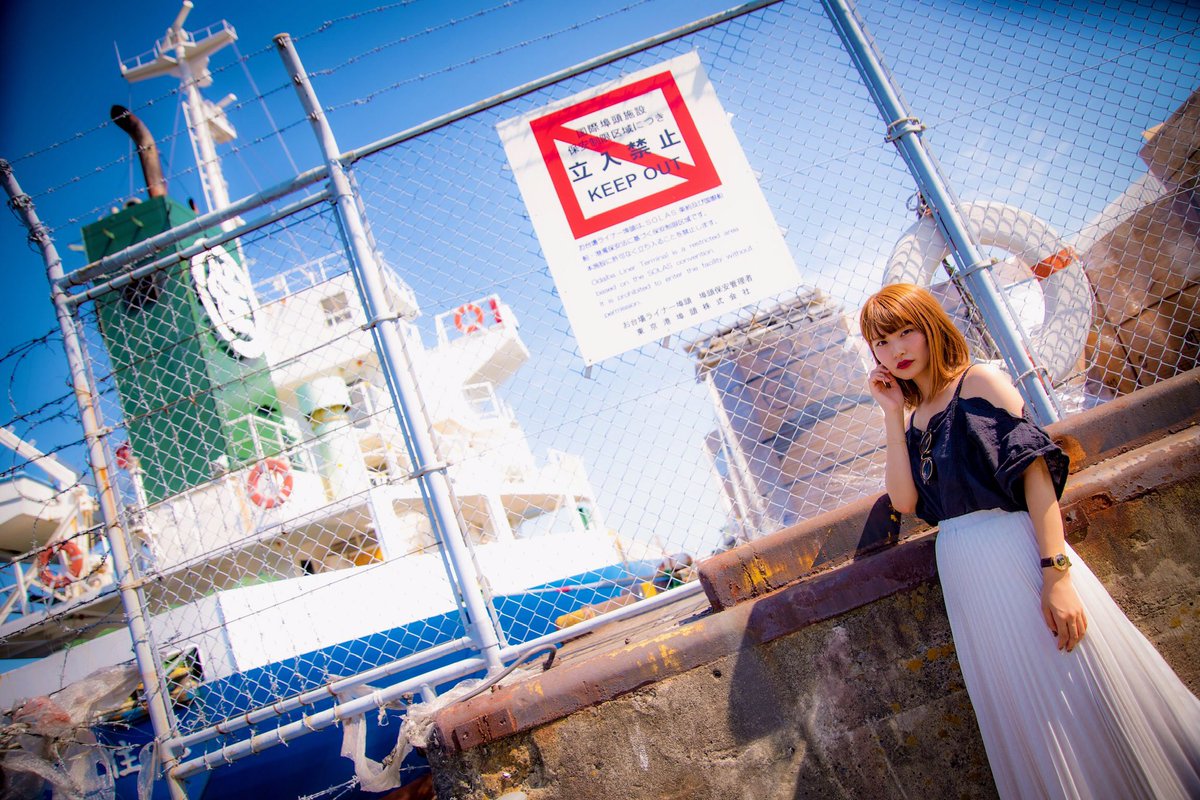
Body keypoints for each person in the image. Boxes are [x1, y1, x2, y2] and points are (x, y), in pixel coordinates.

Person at [860, 282, 1200, 800]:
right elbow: (904, 501)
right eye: (882, 342)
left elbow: (1036, 478)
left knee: (1076, 681)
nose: (896, 350)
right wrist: (890, 414)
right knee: (1024, 705)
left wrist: (1056, 575)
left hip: (1017, 553)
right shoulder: (912, 418)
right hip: (967, 573)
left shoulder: (980, 381)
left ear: (931, 327)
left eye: (906, 332)